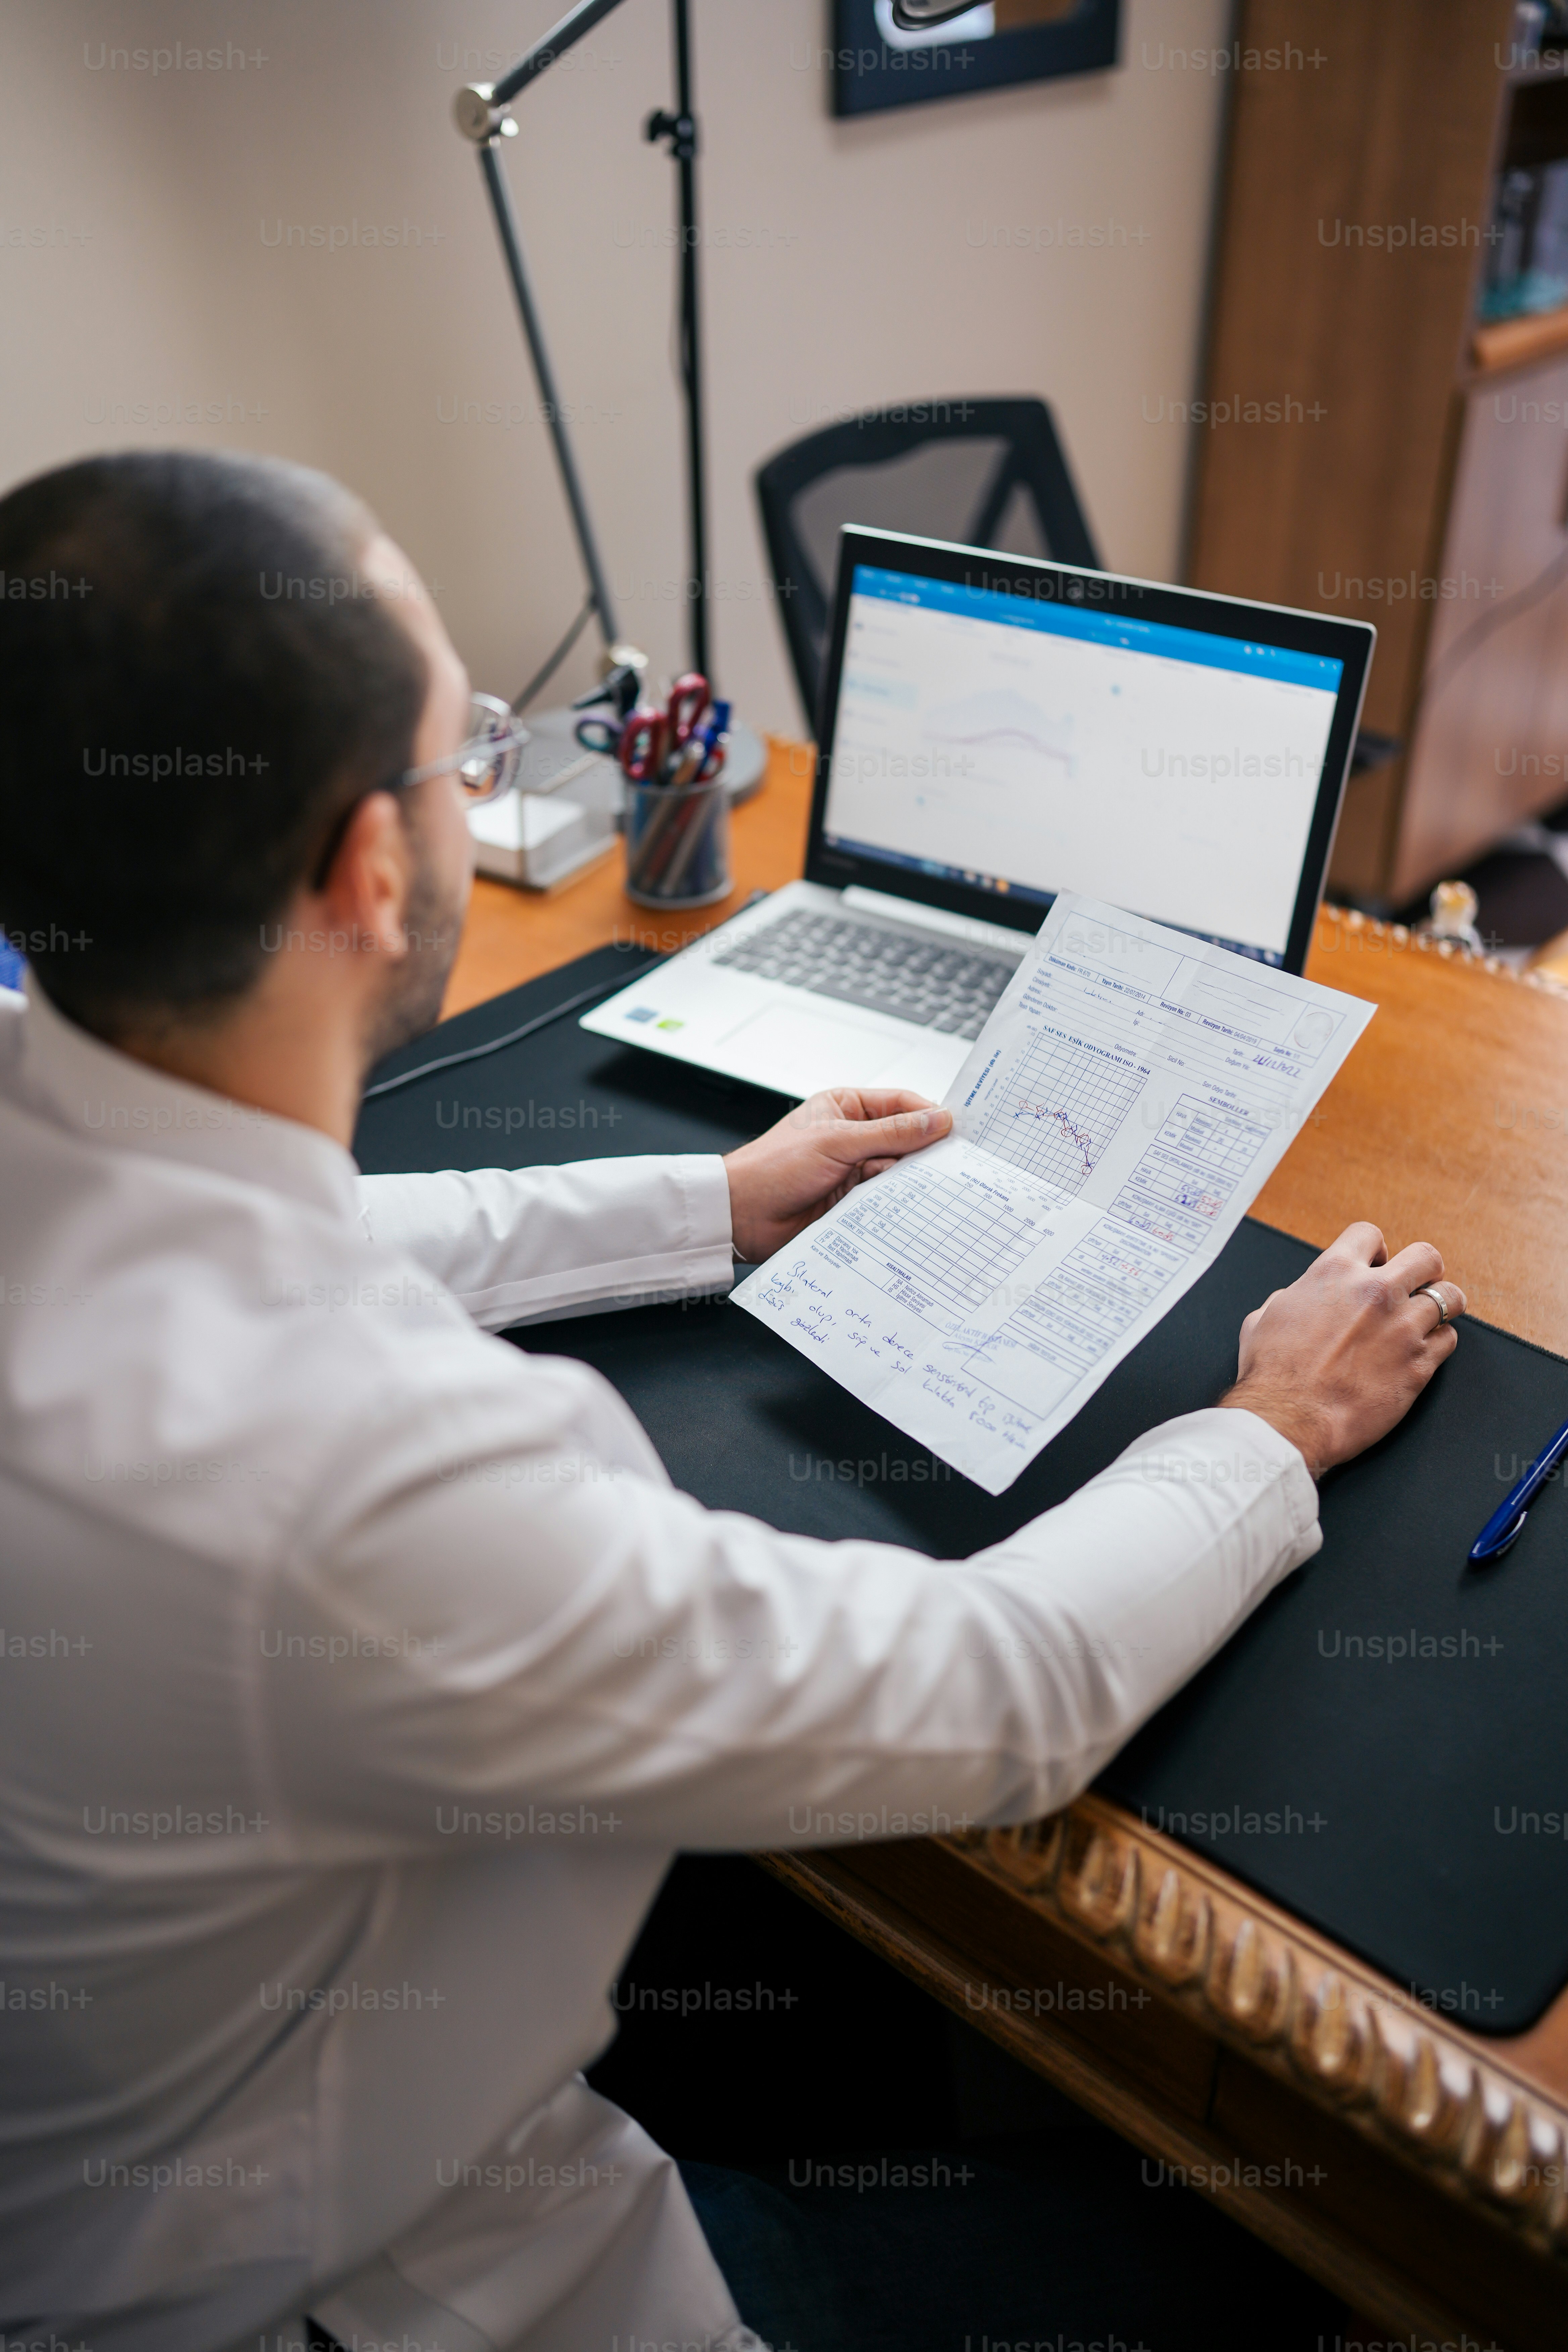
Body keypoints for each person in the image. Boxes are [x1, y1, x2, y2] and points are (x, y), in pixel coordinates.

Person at [0, 452, 1463, 2352]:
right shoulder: (373, 1480)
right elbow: (998, 1696)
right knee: (1267, 2256)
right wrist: (1276, 1424)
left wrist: (712, 1198)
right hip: (393, 2291)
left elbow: (279, 1232)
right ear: (373, 871)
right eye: (468, 761)